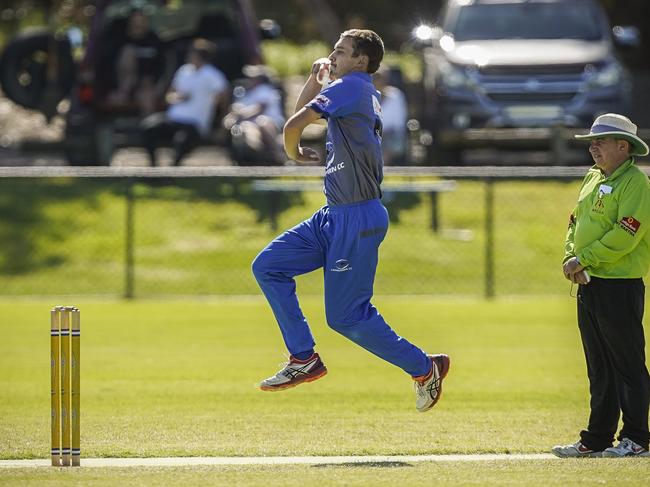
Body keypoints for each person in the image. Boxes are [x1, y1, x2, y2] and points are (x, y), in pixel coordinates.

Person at [251, 29, 450, 412]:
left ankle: (425, 367)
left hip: (356, 216)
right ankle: (303, 359)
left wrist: (292, 154)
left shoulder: (352, 86)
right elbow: (299, 115)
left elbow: (293, 126)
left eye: (340, 51)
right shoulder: (350, 88)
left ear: (361, 60)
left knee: (346, 317)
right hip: (333, 215)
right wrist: (314, 78)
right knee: (269, 267)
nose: (333, 56)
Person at [552, 113, 650, 458]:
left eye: (601, 141)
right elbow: (575, 222)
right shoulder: (593, 177)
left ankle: (637, 437)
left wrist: (585, 258)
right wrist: (571, 258)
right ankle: (596, 438)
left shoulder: (635, 183)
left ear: (623, 147)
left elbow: (627, 232)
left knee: (627, 364)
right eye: (592, 142)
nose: (593, 147)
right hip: (590, 283)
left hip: (619, 285)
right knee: (599, 366)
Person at [141, 39, 229, 166]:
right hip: (174, 118)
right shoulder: (184, 71)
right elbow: (169, 95)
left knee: (182, 140)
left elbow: (224, 96)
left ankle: (173, 172)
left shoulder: (212, 75)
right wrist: (177, 97)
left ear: (198, 56)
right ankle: (153, 169)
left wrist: (220, 120)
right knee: (149, 127)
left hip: (195, 124)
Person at [105, 8, 166, 115]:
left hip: (145, 84)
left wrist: (153, 81)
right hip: (124, 83)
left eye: (141, 22)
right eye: (135, 22)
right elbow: (108, 66)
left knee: (147, 96)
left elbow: (162, 66)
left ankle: (147, 124)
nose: (138, 25)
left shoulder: (154, 40)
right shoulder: (120, 41)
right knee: (129, 51)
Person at [223, 64, 286, 164]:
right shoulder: (244, 93)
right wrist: (231, 118)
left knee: (262, 122)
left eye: (252, 77)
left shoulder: (265, 90)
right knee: (245, 128)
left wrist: (239, 115)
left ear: (259, 79)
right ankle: (254, 158)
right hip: (250, 124)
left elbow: (259, 109)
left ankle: (278, 156)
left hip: (272, 125)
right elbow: (235, 109)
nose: (248, 79)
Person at [373, 65, 408, 165]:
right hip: (371, 134)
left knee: (391, 140)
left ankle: (382, 169)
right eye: (375, 78)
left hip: (391, 135)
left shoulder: (396, 95)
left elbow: (399, 123)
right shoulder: (365, 96)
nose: (378, 81)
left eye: (381, 78)